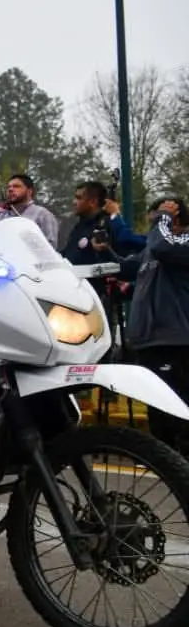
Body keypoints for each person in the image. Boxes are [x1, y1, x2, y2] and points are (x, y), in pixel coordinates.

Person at [116, 194, 189, 455]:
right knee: (158, 412)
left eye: (157, 218)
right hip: (148, 340)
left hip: (175, 339)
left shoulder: (181, 241)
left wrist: (164, 218)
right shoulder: (155, 246)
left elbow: (161, 248)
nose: (154, 224)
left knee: (176, 408)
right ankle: (173, 467)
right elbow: (129, 267)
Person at [60, 180, 145, 265]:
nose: (74, 202)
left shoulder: (109, 224)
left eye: (79, 198)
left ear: (93, 202)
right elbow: (68, 255)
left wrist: (115, 214)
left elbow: (128, 242)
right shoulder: (79, 227)